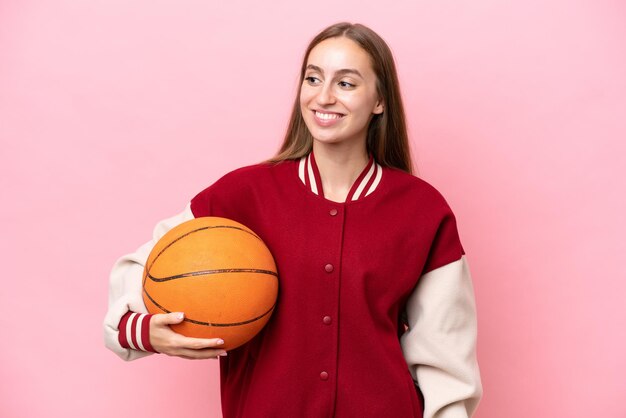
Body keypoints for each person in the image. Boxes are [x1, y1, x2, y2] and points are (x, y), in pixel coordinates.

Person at [104, 22, 483, 418]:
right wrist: (141, 329)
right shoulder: (243, 194)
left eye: (346, 84)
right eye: (313, 78)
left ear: (380, 101)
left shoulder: (422, 210)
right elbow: (147, 266)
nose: (323, 97)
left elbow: (447, 359)